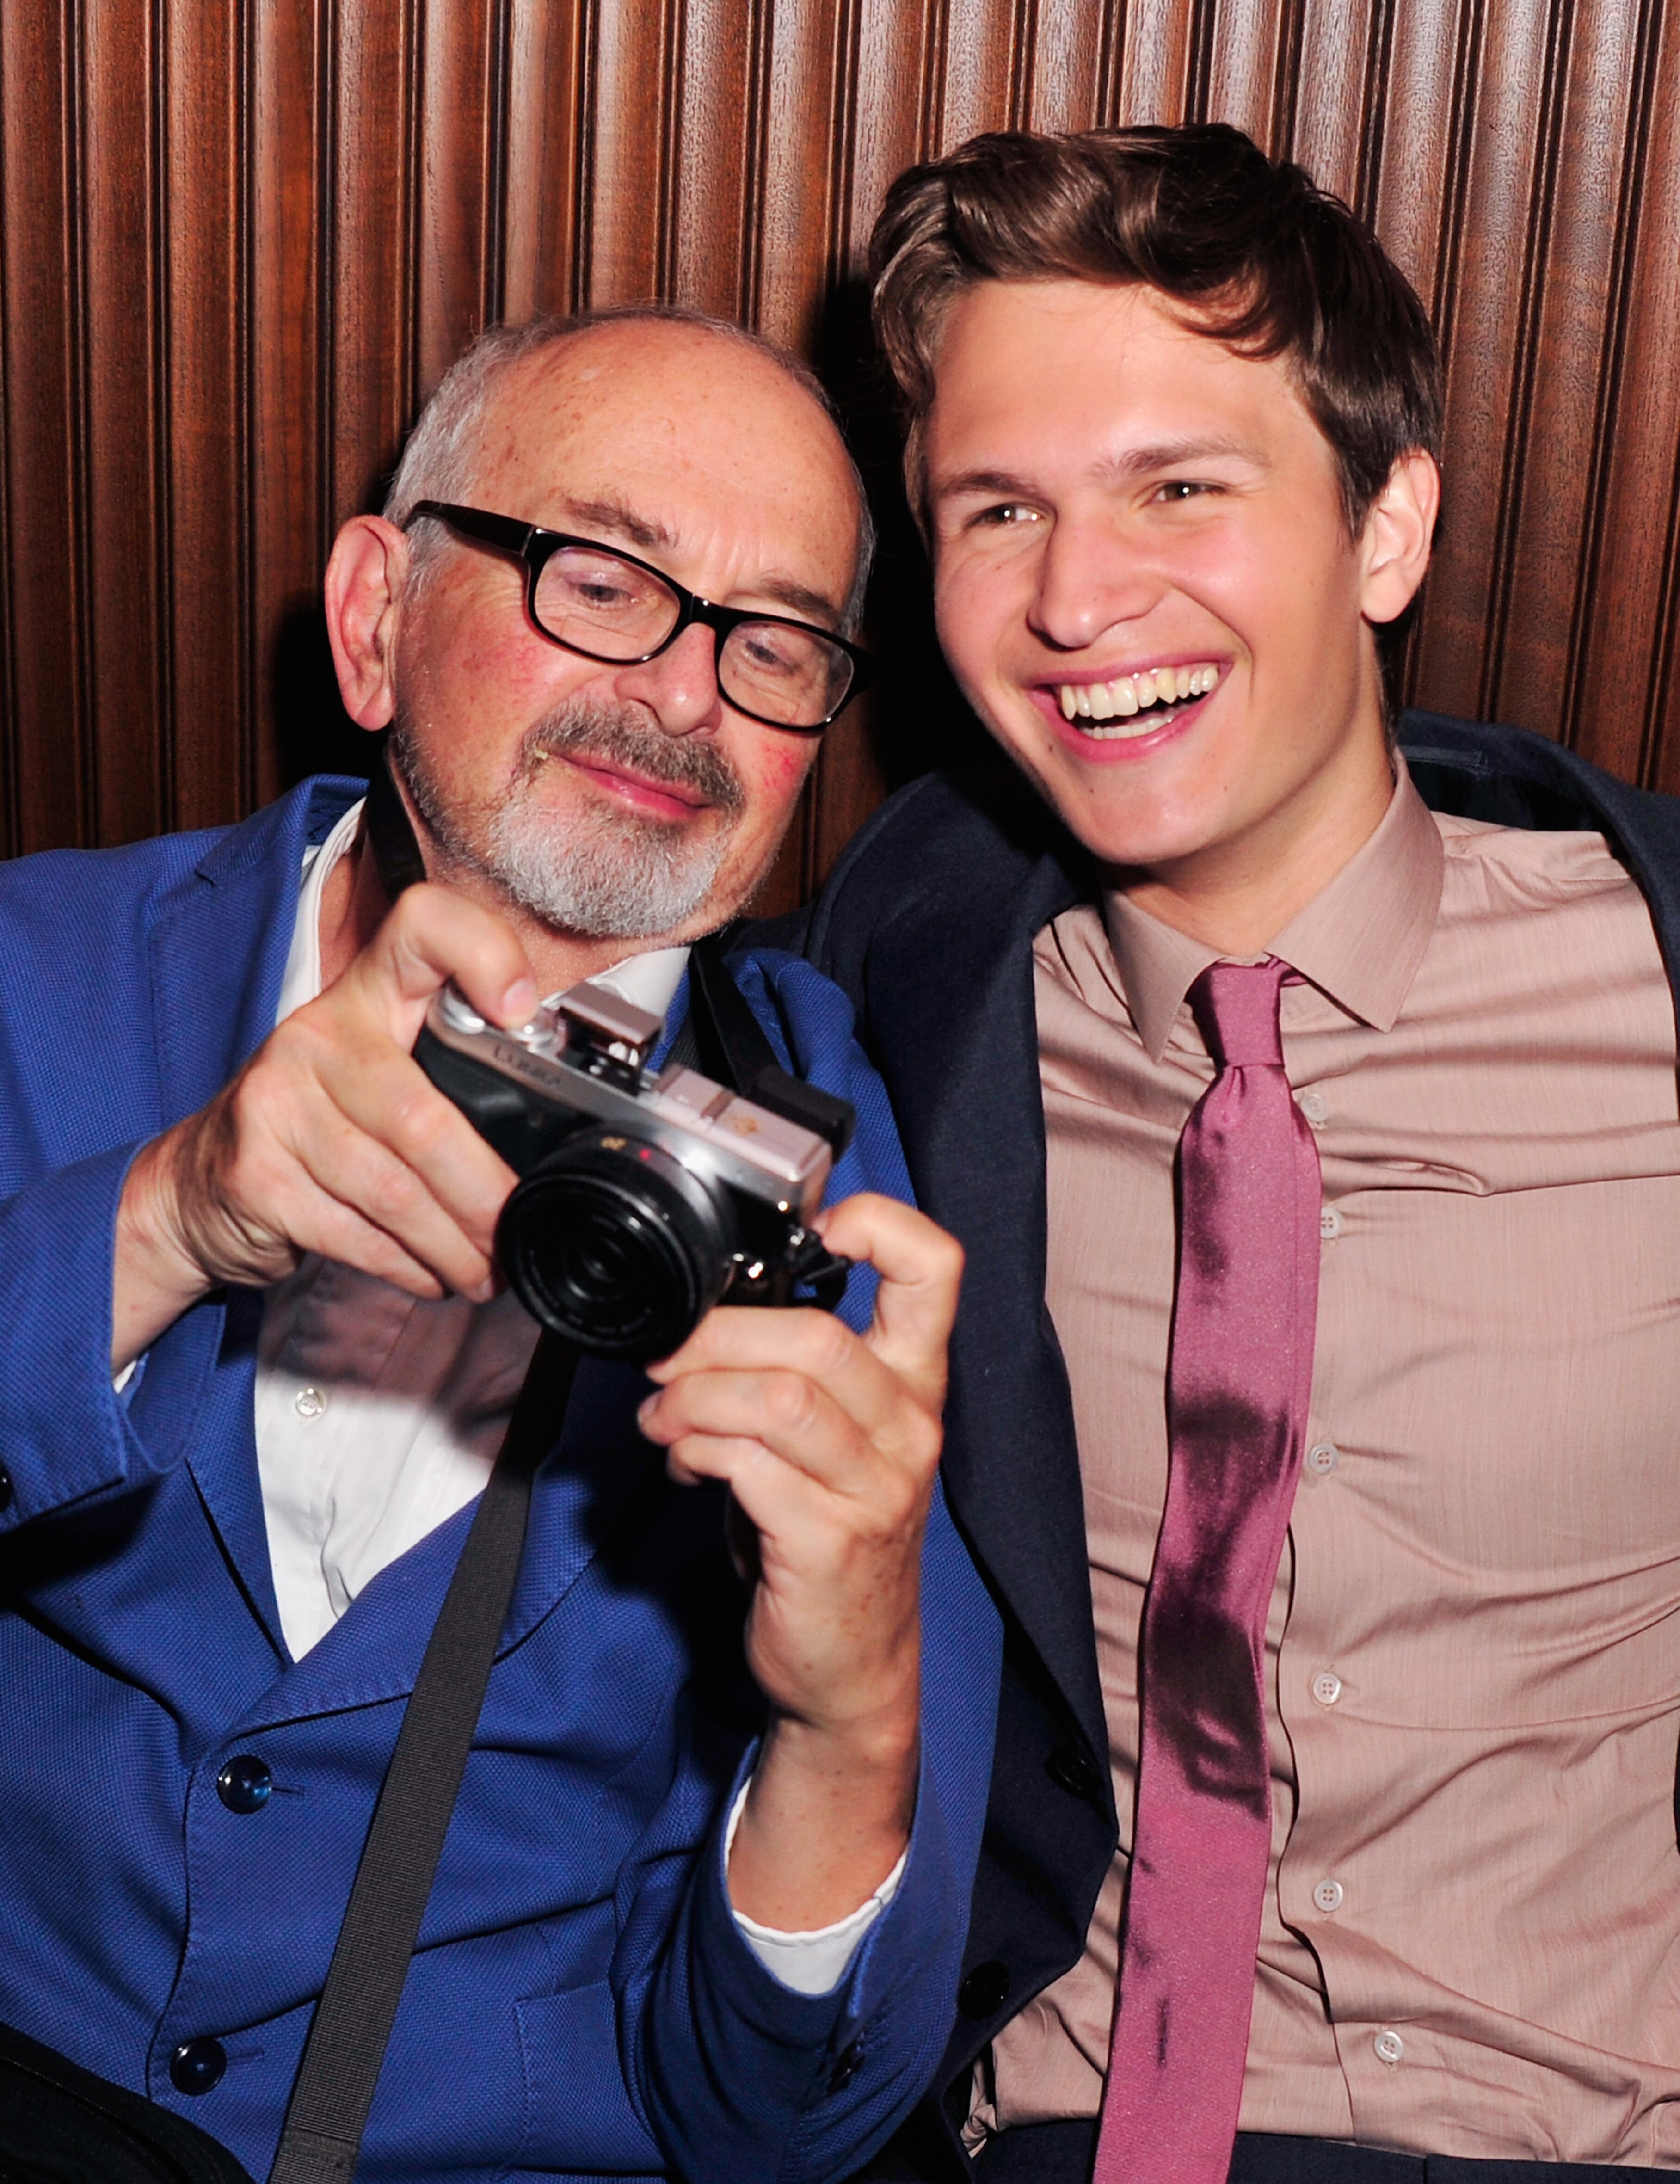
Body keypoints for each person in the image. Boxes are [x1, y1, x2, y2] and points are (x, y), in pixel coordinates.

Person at [0, 305, 1001, 2183]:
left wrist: (849, 1709)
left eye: (778, 638)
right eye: (601, 576)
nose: (685, 695)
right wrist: (173, 1212)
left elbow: (783, 2125)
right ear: (371, 617)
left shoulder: (861, 1218)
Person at [779, 123, 1680, 2179]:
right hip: (1044, 2132)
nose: (1081, 600)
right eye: (997, 510)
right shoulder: (881, 1017)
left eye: (1181, 486)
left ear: (1388, 533)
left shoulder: (1657, 992)